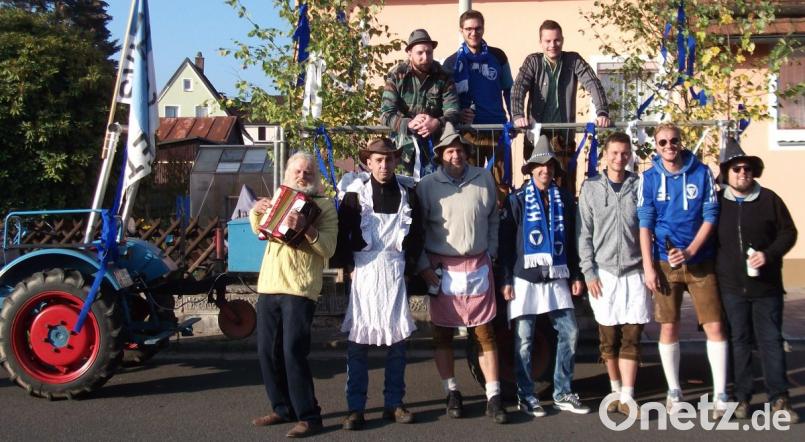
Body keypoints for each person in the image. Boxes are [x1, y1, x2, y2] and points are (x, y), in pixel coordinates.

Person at [416, 123, 507, 424]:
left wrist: (492, 251)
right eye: (450, 151)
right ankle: (451, 391)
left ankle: (493, 395)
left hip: (479, 263)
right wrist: (423, 266)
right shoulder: (427, 185)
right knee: (442, 333)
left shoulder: (484, 179)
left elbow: (494, 218)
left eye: (460, 150)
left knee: (484, 333)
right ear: (440, 154)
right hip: (442, 268)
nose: (456, 155)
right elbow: (416, 232)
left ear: (467, 153)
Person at [636, 122, 729, 417]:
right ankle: (674, 390)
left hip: (701, 261)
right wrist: (649, 268)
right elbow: (645, 223)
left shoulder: (701, 173)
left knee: (714, 325)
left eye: (673, 141)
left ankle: (720, 393)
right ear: (656, 145)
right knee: (669, 325)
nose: (668, 147)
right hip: (665, 262)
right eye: (662, 142)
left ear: (681, 142)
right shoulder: (649, 178)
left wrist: (692, 250)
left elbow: (711, 215)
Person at [332, 138, 423, 430]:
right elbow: (342, 231)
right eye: (378, 160)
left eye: (389, 159)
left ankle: (394, 403)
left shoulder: (409, 194)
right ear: (368, 163)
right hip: (364, 272)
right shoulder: (354, 195)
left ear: (396, 161)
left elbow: (417, 234)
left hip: (395, 272)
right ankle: (355, 408)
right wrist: (346, 267)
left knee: (398, 344)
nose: (384, 165)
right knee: (358, 344)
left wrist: (409, 269)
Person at [249, 152, 338, 438]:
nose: (302, 176)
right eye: (298, 172)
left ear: (316, 177)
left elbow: (329, 250)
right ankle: (282, 408)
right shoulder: (279, 197)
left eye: (308, 172)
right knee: (266, 352)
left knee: (292, 352)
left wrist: (308, 230)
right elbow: (259, 231)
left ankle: (310, 416)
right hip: (269, 285)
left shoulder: (325, 207)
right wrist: (257, 210)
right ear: (289, 174)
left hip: (299, 288)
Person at [500, 134, 589, 416]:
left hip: (557, 274)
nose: (545, 170)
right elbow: (505, 242)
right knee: (524, 340)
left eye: (550, 166)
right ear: (530, 170)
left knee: (570, 331)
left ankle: (563, 390)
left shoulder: (563, 198)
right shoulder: (517, 200)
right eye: (539, 166)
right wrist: (505, 279)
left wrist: (576, 274)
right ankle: (525, 395)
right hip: (525, 277)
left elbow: (573, 241)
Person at [715, 139, 798, 422]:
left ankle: (780, 398)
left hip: (767, 287)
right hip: (731, 287)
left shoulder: (769, 199)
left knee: (771, 341)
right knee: (739, 341)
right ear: (726, 172)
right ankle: (742, 397)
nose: (742, 173)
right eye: (736, 168)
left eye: (747, 168)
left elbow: (789, 233)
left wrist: (769, 254)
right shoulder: (716, 203)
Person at [577, 132, 651, 417]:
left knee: (632, 335)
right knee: (608, 338)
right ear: (605, 155)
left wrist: (648, 268)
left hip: (634, 271)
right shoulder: (591, 187)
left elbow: (648, 228)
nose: (620, 158)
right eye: (614, 153)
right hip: (603, 273)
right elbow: (584, 233)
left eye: (624, 153)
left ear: (630, 155)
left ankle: (629, 396)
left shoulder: (639, 185)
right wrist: (588, 272)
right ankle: (615, 388)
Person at [510, 19, 610, 192]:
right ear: (540, 42)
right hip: (536, 139)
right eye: (547, 41)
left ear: (562, 40)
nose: (552, 45)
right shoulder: (533, 62)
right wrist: (518, 115)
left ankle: (567, 219)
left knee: (566, 189)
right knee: (536, 188)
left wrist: (602, 112)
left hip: (563, 138)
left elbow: (593, 83)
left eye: (556, 40)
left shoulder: (573, 60)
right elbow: (518, 88)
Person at [442, 10, 513, 200]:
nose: (474, 33)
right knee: (469, 185)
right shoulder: (451, 62)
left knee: (501, 184)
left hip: (496, 130)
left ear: (483, 28)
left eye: (478, 28)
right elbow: (444, 98)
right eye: (469, 29)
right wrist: (457, 113)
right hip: (467, 133)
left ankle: (501, 226)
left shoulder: (498, 56)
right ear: (461, 31)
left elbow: (509, 90)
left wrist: (514, 119)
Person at [381, 29, 460, 175]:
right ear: (409, 53)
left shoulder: (444, 76)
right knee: (407, 190)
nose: (426, 57)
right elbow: (386, 114)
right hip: (404, 149)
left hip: (436, 148)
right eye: (420, 53)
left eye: (429, 52)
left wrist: (437, 122)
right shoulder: (396, 75)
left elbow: (454, 111)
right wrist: (409, 123)